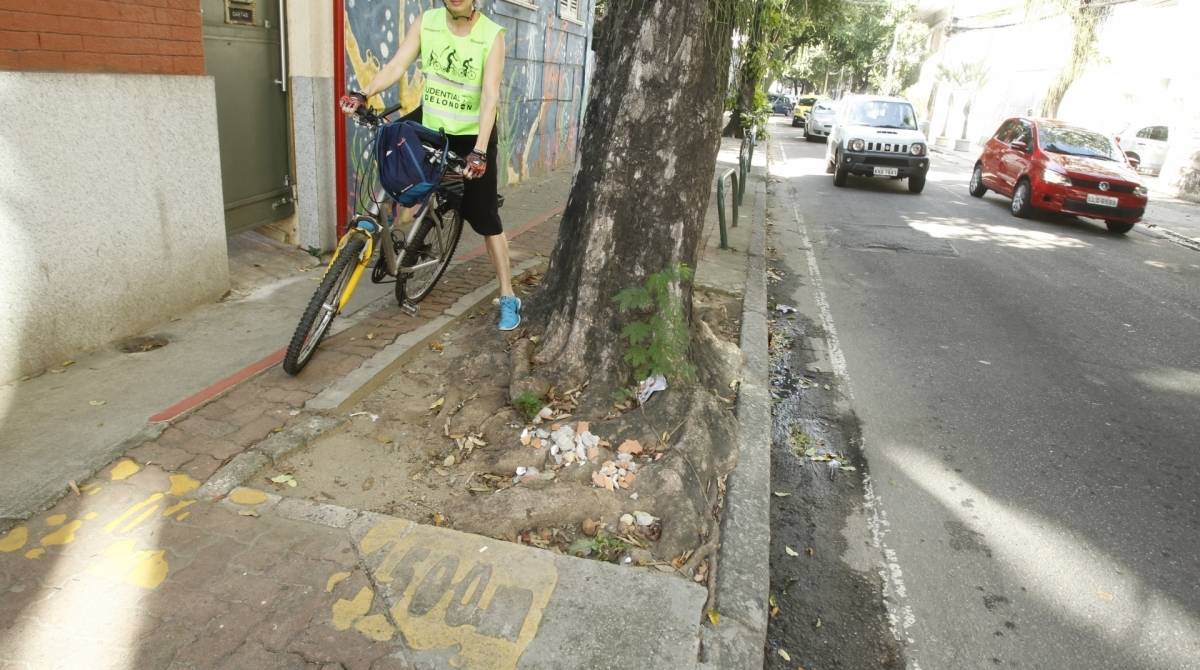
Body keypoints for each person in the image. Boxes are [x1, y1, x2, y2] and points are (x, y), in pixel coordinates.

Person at [340, 0, 520, 331]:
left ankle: (508, 295)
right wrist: (363, 93)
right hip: (431, 122)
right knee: (393, 150)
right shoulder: (428, 22)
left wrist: (479, 151)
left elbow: (490, 96)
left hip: (470, 135)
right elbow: (396, 66)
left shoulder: (491, 35)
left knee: (484, 216)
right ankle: (397, 233)